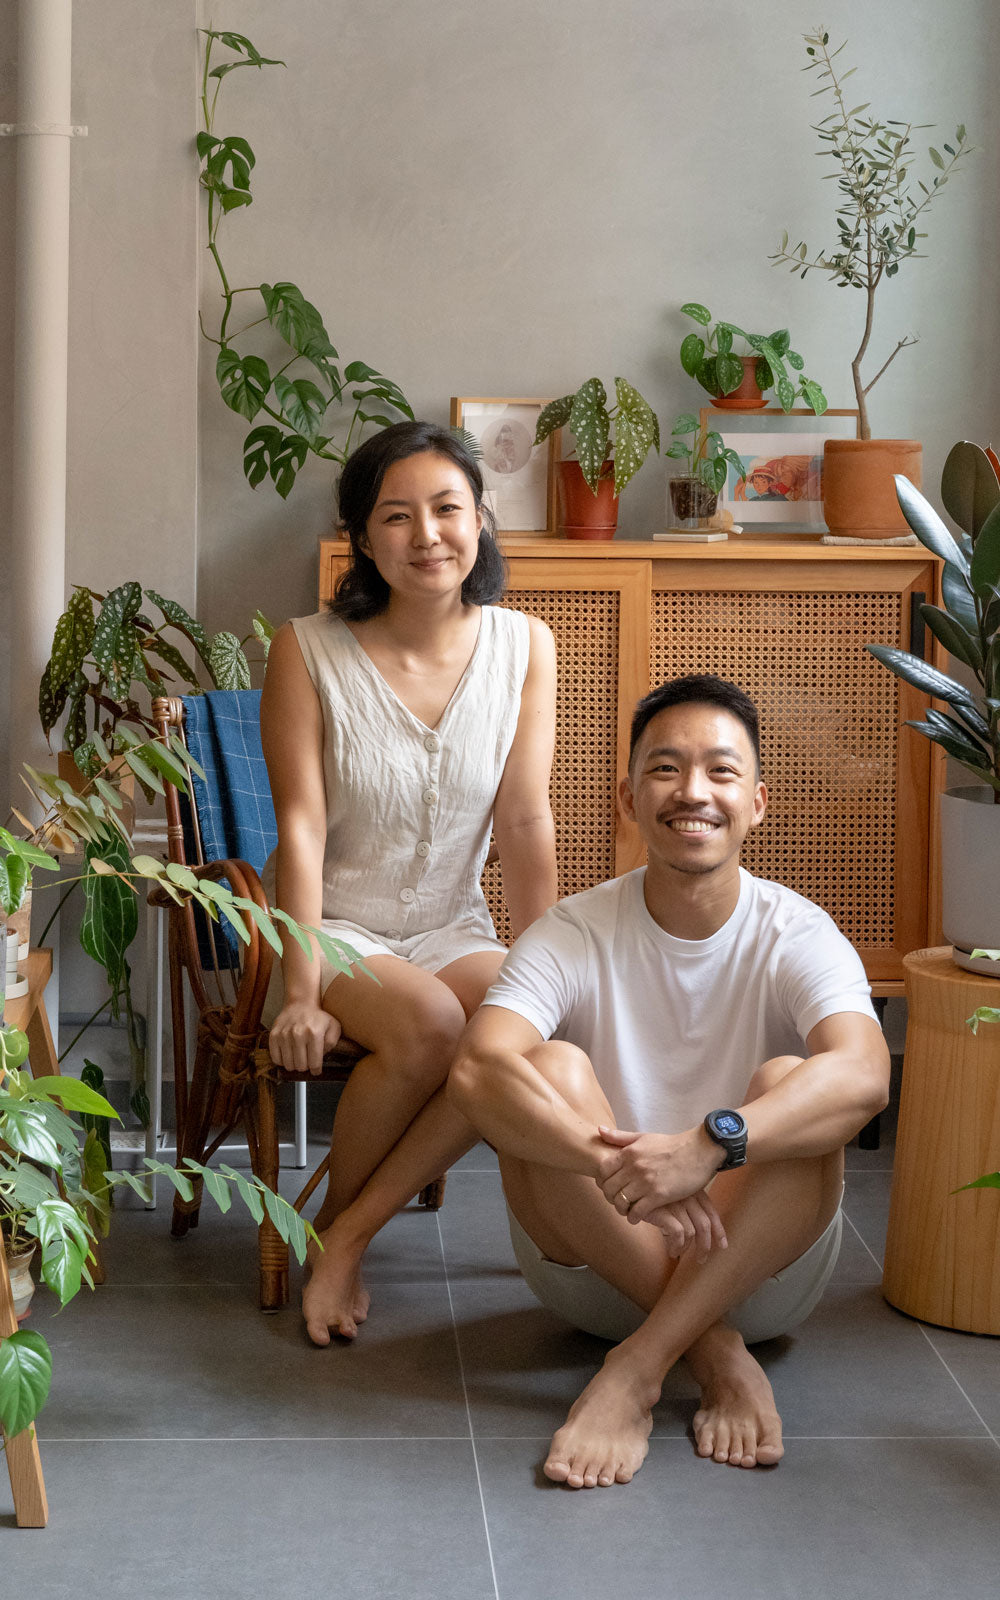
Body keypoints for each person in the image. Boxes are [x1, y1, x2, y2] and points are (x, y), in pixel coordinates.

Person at [449, 674, 889, 1489]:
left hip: (763, 1275)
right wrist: (625, 1167)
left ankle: (638, 1367)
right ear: (628, 798)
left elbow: (865, 1077)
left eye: (721, 772)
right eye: (665, 769)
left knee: (796, 1079)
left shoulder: (798, 931)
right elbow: (476, 1070)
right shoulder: (572, 931)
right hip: (590, 1270)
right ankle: (713, 1349)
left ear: (757, 803)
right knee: (544, 1068)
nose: (694, 792)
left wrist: (708, 1148)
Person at [260, 420, 558, 1346]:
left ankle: (342, 1232)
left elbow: (522, 822)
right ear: (362, 536)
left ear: (482, 521)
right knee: (431, 1022)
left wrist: (555, 971)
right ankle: (344, 1241)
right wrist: (301, 991)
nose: (427, 535)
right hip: (327, 923)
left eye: (447, 509)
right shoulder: (306, 649)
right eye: (397, 516)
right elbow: (301, 828)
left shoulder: (524, 647)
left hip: (451, 924)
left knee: (507, 1031)